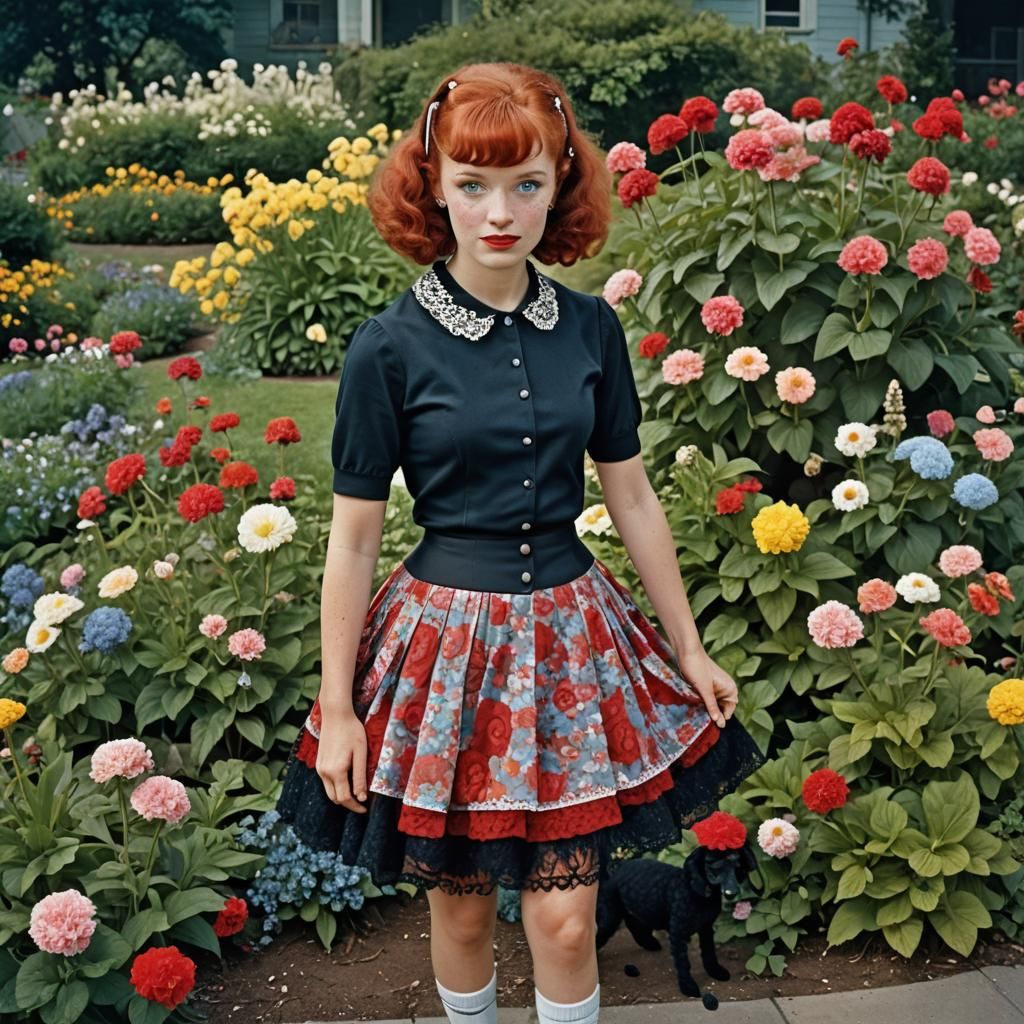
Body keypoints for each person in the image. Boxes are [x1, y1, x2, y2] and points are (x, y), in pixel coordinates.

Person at [274, 62, 765, 1024]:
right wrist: (339, 704)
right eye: (473, 184)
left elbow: (631, 495)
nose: (501, 211)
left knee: (569, 922)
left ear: (561, 186)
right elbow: (355, 539)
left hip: (576, 643)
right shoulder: (388, 347)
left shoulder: (591, 326)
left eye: (527, 183)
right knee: (459, 917)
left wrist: (690, 644)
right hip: (445, 653)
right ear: (434, 186)